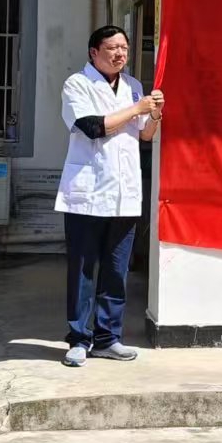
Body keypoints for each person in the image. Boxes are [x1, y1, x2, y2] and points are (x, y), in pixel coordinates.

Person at [55, 25, 163, 368]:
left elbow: (145, 135)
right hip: (87, 194)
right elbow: (92, 127)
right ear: (94, 52)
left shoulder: (133, 86)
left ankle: (107, 338)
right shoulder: (77, 84)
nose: (120, 54)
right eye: (113, 48)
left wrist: (154, 113)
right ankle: (78, 339)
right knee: (83, 270)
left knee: (116, 271)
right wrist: (137, 108)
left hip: (124, 194)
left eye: (124, 49)